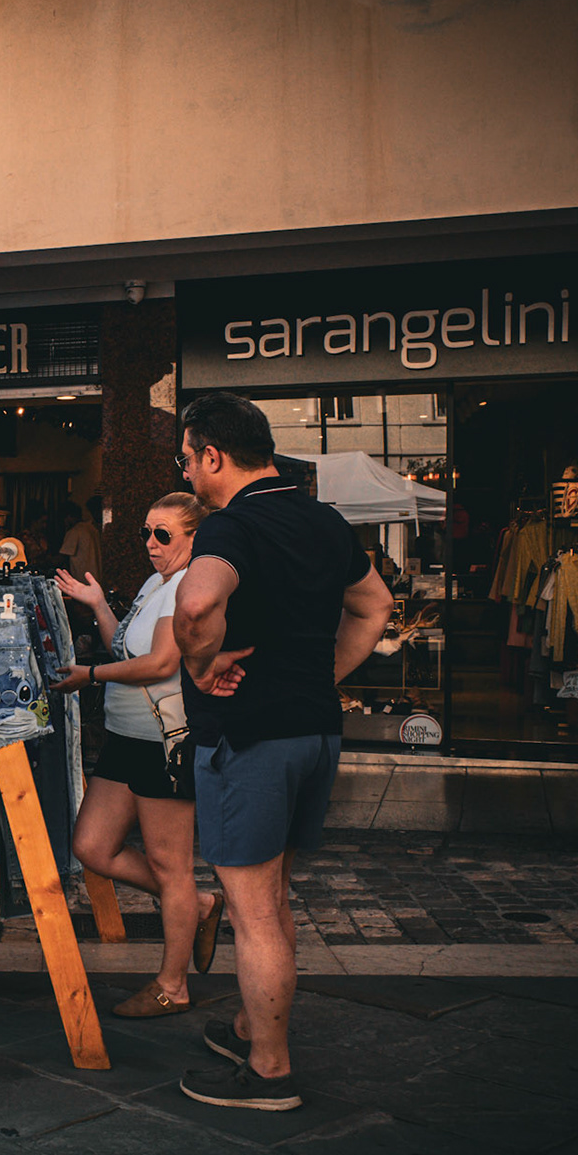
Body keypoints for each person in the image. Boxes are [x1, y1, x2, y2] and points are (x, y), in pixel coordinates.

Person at [171, 394, 393, 1111]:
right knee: (268, 898)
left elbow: (198, 606)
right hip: (314, 731)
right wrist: (320, 675)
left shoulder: (231, 527)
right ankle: (248, 1026)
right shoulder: (322, 518)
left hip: (253, 738)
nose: (187, 470)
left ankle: (269, 1070)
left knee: (253, 911)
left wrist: (201, 665)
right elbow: (375, 606)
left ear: (212, 455)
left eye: (186, 457)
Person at [53, 493, 224, 1018]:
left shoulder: (190, 587)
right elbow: (126, 648)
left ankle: (173, 985)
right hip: (128, 736)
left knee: (171, 865)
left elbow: (158, 665)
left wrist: (91, 676)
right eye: (148, 532)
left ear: (194, 538)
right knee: (91, 845)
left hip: (163, 742)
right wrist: (100, 604)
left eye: (163, 535)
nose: (151, 544)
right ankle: (196, 906)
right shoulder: (158, 583)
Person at [58, 496, 104, 587]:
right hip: (97, 580)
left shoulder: (74, 531)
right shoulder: (92, 529)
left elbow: (62, 557)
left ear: (69, 517)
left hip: (83, 582)